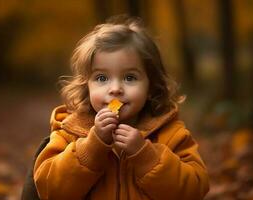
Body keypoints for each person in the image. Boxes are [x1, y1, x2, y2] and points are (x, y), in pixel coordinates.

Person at [22, 16, 209, 200]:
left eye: (130, 78)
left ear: (151, 87)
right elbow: (49, 190)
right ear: (86, 85)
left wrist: (146, 156)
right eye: (102, 78)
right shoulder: (70, 132)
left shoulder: (171, 135)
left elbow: (194, 190)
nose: (115, 89)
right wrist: (91, 148)